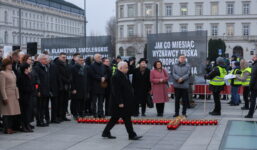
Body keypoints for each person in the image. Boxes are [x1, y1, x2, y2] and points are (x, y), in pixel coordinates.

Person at [102, 61, 142, 140]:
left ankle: (106, 132)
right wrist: (120, 102)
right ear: (120, 68)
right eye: (126, 67)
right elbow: (116, 91)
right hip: (119, 102)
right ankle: (132, 135)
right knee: (126, 118)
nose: (127, 69)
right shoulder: (116, 76)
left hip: (125, 101)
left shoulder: (123, 75)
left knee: (115, 118)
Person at [0, 58, 21, 134]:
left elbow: (15, 84)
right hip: (7, 94)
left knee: (12, 112)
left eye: (11, 64)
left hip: (14, 94)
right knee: (7, 113)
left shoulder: (12, 72)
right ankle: (6, 128)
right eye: (9, 64)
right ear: (5, 65)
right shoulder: (2, 73)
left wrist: (17, 95)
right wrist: (4, 97)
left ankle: (10, 127)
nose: (11, 65)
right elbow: (2, 87)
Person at [33, 54, 50, 127]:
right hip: (41, 90)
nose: (46, 60)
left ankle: (42, 120)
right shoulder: (37, 68)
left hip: (46, 90)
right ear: (40, 60)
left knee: (43, 107)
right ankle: (39, 121)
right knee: (39, 107)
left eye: (46, 59)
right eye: (44, 59)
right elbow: (37, 81)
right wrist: (38, 90)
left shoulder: (45, 67)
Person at [89, 54, 108, 118]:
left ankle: (101, 113)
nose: (100, 58)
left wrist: (105, 77)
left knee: (101, 101)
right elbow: (92, 75)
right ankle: (94, 113)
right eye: (99, 57)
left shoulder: (103, 65)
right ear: (95, 58)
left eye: (100, 57)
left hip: (102, 86)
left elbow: (106, 73)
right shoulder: (92, 65)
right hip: (94, 86)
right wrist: (100, 78)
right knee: (94, 101)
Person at [54, 53, 71, 121]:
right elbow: (59, 75)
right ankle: (59, 116)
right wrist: (66, 80)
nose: (64, 58)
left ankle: (64, 115)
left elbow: (70, 73)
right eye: (63, 57)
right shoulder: (56, 64)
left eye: (65, 57)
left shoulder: (67, 64)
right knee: (60, 102)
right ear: (59, 57)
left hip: (67, 85)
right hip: (60, 86)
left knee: (65, 102)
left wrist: (69, 79)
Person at [17, 63, 34, 132]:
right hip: (23, 96)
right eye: (29, 67)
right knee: (23, 112)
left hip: (28, 96)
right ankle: (23, 125)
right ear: (25, 69)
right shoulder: (21, 76)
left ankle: (27, 124)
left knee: (27, 112)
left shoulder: (28, 75)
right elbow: (21, 87)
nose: (30, 69)